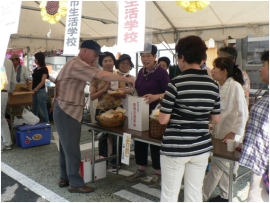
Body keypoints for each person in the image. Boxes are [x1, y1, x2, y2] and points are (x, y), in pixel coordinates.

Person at [53, 40, 134, 193]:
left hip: (65, 109)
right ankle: (75, 184)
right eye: (94, 54)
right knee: (71, 148)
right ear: (84, 51)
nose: (96, 58)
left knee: (66, 147)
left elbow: (96, 72)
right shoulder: (77, 63)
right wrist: (127, 79)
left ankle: (65, 177)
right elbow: (100, 74)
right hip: (67, 110)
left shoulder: (78, 63)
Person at [158, 35, 220, 202]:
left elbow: (163, 120)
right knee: (194, 194)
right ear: (202, 59)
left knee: (170, 195)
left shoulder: (175, 84)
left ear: (182, 57)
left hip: (175, 147)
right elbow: (216, 119)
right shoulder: (213, 85)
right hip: (201, 147)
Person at [202, 57, 249, 202]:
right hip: (219, 133)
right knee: (223, 167)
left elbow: (244, 112)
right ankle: (225, 196)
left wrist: (235, 132)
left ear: (224, 71)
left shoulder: (235, 86)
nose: (213, 70)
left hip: (230, 135)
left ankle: (200, 197)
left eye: (215, 67)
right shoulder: (219, 86)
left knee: (218, 166)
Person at [126, 43, 170, 188]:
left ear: (154, 57)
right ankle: (141, 169)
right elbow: (137, 90)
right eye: (142, 56)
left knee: (156, 144)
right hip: (141, 112)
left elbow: (169, 94)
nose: (145, 59)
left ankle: (158, 173)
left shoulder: (162, 73)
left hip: (156, 115)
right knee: (139, 141)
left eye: (148, 56)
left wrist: (157, 96)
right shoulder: (141, 71)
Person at [239, 50, 269, 202]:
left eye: (264, 64)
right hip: (259, 160)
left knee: (255, 197)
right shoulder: (268, 93)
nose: (260, 69)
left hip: (265, 162)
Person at [90, 51, 126, 171]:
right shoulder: (97, 77)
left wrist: (117, 93)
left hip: (117, 109)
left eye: (110, 60)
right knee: (102, 138)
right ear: (101, 63)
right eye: (105, 61)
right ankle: (103, 160)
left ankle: (117, 161)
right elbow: (92, 96)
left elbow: (124, 95)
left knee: (118, 138)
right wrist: (105, 89)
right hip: (102, 111)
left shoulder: (118, 76)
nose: (108, 63)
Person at [1, 58, 17, 152]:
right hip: (4, 92)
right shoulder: (8, 61)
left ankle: (3, 145)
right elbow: (13, 80)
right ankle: (7, 143)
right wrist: (9, 91)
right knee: (2, 118)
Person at [32, 52, 49, 123]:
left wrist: (35, 89)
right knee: (34, 109)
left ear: (39, 59)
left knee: (42, 110)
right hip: (34, 91)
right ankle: (35, 124)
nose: (34, 60)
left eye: (35, 59)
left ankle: (46, 125)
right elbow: (33, 80)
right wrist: (32, 89)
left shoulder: (44, 69)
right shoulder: (35, 69)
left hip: (40, 91)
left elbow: (42, 82)